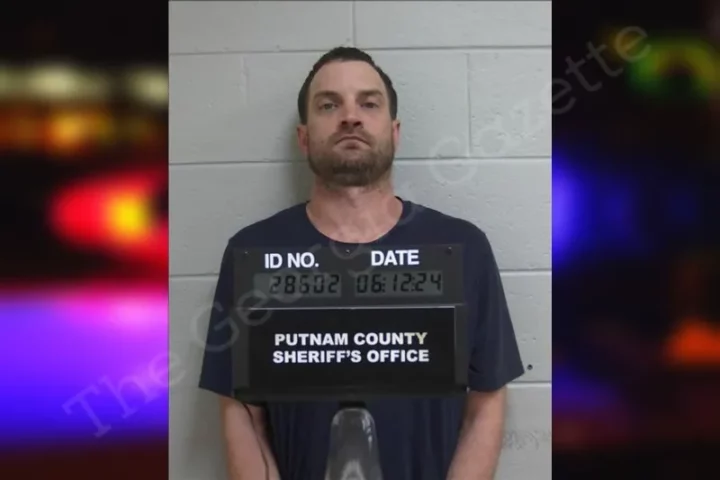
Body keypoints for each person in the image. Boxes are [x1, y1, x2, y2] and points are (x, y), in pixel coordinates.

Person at [198, 46, 525, 480]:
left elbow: (486, 404)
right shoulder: (253, 253)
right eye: (328, 105)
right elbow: (243, 416)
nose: (350, 117)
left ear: (395, 132)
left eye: (368, 104)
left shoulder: (464, 248)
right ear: (303, 137)